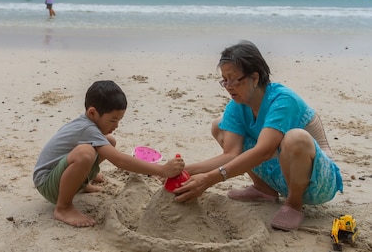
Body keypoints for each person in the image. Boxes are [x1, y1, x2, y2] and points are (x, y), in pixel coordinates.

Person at [174, 40, 343, 232]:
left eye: (233, 79)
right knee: (219, 125)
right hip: (280, 173)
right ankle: (264, 190)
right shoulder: (237, 106)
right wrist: (187, 171)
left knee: (295, 137)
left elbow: (264, 151)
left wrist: (209, 179)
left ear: (254, 78)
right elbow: (231, 154)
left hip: (317, 181)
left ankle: (294, 204)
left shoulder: (282, 100)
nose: (228, 86)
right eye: (224, 80)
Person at [33, 80, 185, 227]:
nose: (116, 125)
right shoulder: (87, 129)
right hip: (47, 183)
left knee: (109, 141)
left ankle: (81, 180)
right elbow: (120, 160)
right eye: (113, 120)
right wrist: (161, 170)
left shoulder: (87, 124)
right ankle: (63, 208)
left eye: (119, 120)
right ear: (92, 113)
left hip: (58, 175)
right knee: (85, 153)